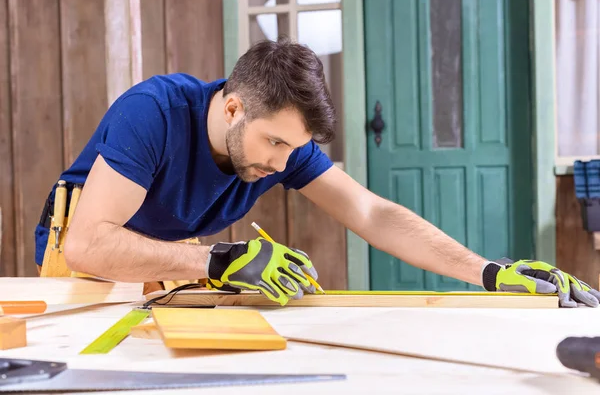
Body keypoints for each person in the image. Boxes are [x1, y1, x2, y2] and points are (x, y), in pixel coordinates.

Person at [34, 37, 600, 308]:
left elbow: (371, 213)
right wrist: (214, 259)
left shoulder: (282, 143)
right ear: (233, 108)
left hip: (173, 266)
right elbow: (88, 244)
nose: (282, 165)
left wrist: (487, 272)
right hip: (86, 271)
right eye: (274, 143)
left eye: (294, 149)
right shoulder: (153, 112)